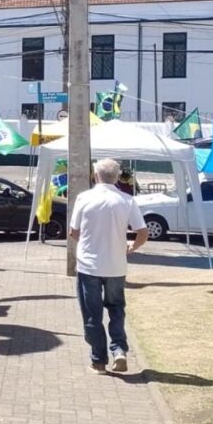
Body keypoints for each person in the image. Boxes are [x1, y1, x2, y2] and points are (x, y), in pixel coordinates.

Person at [68, 158, 149, 375]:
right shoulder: (127, 200)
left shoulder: (84, 198)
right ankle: (119, 349)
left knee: (92, 314)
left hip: (89, 265)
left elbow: (73, 231)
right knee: (116, 309)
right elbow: (143, 232)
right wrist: (132, 247)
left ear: (95, 175)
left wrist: (88, 243)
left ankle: (98, 360)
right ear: (117, 177)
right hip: (116, 265)